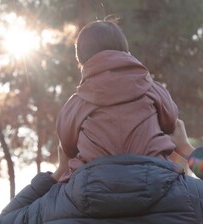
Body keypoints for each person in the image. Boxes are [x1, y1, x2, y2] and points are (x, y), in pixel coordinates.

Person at [0, 119, 203, 224]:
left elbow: (6, 220)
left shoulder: (56, 206)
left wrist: (58, 173)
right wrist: (190, 151)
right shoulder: (190, 198)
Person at [56, 20, 179, 181]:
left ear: (82, 61)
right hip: (156, 179)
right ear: (126, 53)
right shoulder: (152, 89)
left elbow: (67, 146)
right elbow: (171, 122)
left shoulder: (77, 104)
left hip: (93, 188)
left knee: (32, 205)